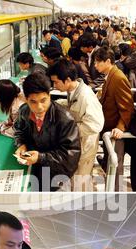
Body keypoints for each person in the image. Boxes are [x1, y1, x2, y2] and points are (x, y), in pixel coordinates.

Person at [14, 73, 81, 191]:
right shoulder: (24, 111)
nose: (39, 107)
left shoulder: (65, 119)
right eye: (33, 102)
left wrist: (41, 158)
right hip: (34, 169)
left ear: (49, 95)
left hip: (56, 174)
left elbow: (70, 157)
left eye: (43, 100)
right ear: (26, 99)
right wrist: (21, 144)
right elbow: (19, 130)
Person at [47, 59, 104, 191]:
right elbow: (72, 105)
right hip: (77, 144)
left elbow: (95, 125)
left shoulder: (86, 96)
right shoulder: (73, 90)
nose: (54, 86)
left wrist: (69, 130)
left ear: (67, 80)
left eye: (56, 82)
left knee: (81, 179)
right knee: (75, 176)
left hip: (86, 145)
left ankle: (80, 206)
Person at [94, 47, 134, 191]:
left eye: (98, 62)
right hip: (107, 127)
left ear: (108, 61)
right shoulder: (109, 75)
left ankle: (116, 197)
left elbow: (127, 106)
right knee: (110, 162)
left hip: (114, 130)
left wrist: (120, 127)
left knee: (116, 165)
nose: (95, 65)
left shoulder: (118, 77)